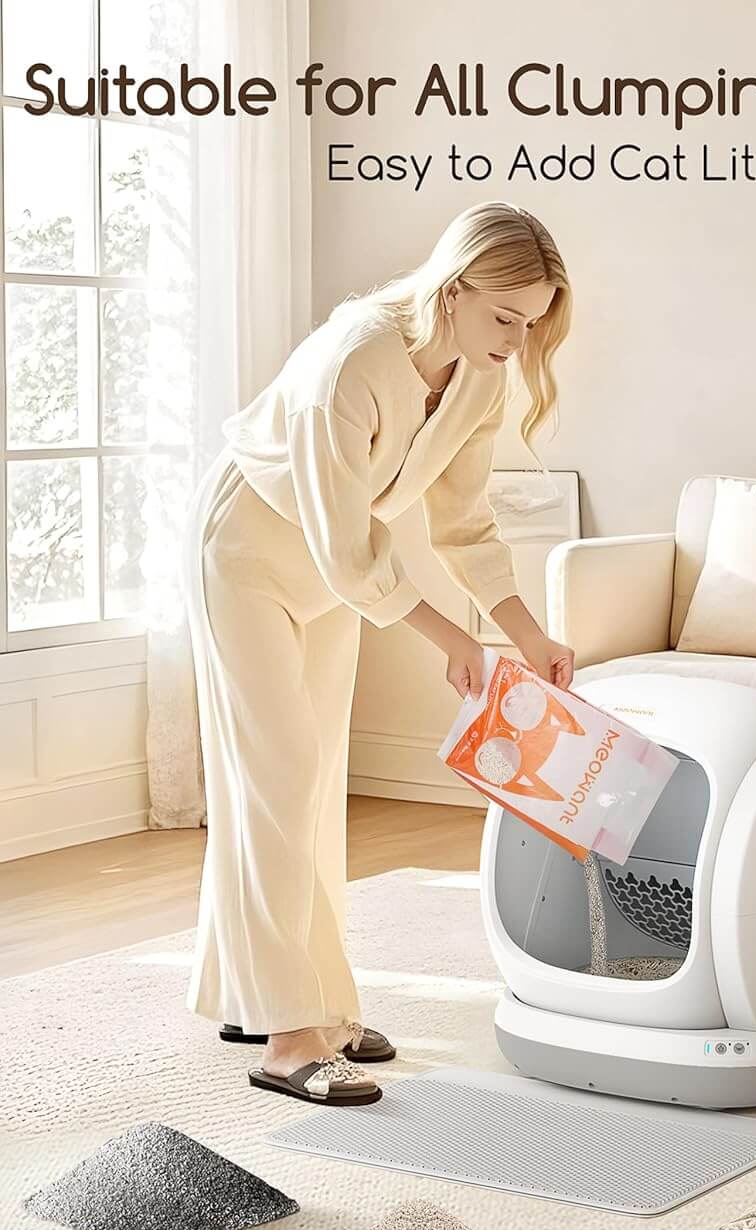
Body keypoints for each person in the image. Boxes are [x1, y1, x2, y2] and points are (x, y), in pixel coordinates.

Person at [179, 201, 575, 1106]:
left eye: (532, 322)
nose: (518, 341)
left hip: (329, 579)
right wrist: (449, 640)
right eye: (506, 316)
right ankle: (289, 1036)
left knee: (308, 783)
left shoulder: (480, 374)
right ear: (453, 287)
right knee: (276, 773)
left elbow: (465, 522)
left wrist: (525, 632)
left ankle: (285, 997)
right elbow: (346, 543)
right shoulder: (352, 360)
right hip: (247, 557)